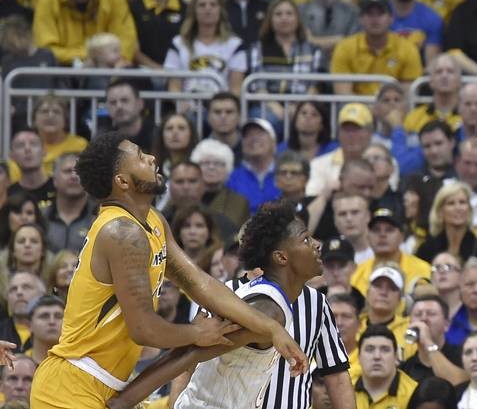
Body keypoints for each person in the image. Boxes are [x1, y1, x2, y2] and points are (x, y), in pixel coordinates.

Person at [28, 131, 306, 409]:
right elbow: (144, 328)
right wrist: (196, 334)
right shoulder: (122, 232)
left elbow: (199, 283)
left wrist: (270, 327)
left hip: (104, 384)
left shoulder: (151, 220)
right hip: (70, 385)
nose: (151, 158)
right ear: (122, 181)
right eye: (139, 157)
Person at [107, 201, 325, 408]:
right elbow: (188, 353)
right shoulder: (267, 309)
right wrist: (122, 402)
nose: (317, 244)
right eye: (305, 239)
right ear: (281, 257)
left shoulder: (265, 296)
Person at [354, 325, 419, 409]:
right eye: (370, 349)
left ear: (396, 357)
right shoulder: (344, 390)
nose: (377, 356)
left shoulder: (414, 393)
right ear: (359, 357)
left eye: (385, 350)